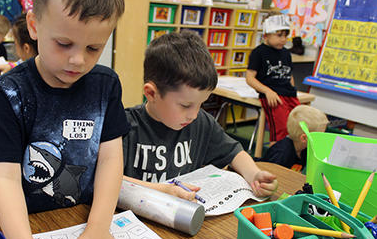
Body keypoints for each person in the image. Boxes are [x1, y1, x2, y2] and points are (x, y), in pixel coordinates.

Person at [0, 0, 129, 239]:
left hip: (78, 218)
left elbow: (110, 159)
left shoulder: (105, 85)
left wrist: (98, 226)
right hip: (23, 225)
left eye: (94, 48)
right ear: (34, 26)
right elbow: (5, 178)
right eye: (64, 43)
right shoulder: (11, 92)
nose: (78, 60)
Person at [122, 31, 278, 202]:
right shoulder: (123, 126)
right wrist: (162, 191)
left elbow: (234, 153)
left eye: (201, 103)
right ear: (151, 94)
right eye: (185, 105)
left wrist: (254, 175)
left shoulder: (201, 123)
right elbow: (108, 180)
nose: (194, 115)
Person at [246, 14, 300, 143]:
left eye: (285, 36)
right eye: (279, 35)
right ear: (266, 35)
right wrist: (267, 91)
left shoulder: (286, 53)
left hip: (289, 95)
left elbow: (289, 75)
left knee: (300, 124)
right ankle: (277, 157)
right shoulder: (259, 52)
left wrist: (292, 90)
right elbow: (250, 78)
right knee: (281, 129)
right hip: (272, 96)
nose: (283, 39)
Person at [0, 13, 37, 92]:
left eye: (15, 43)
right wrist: (12, 66)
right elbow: (25, 63)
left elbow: (2, 94)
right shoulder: (44, 63)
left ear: (26, 48)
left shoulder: (29, 76)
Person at [261, 105, 328, 171]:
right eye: (320, 135)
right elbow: (269, 176)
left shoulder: (304, 149)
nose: (323, 138)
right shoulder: (282, 154)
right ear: (304, 138)